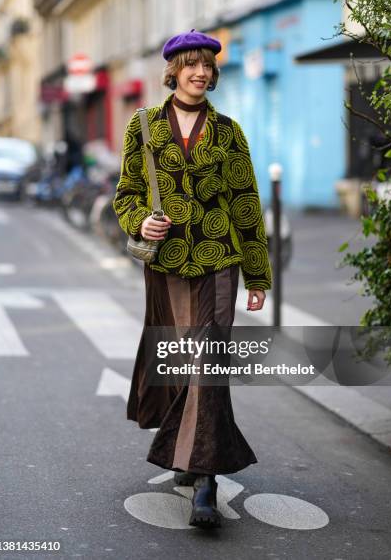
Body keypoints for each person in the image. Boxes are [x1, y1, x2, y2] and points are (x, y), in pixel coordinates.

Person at [113, 29, 272, 529]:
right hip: (166, 266)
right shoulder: (143, 129)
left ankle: (205, 479)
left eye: (207, 65)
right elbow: (126, 194)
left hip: (219, 260)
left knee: (209, 362)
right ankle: (188, 453)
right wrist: (140, 220)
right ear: (174, 72)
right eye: (192, 65)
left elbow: (247, 204)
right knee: (182, 360)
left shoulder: (229, 132)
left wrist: (257, 275)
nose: (201, 72)